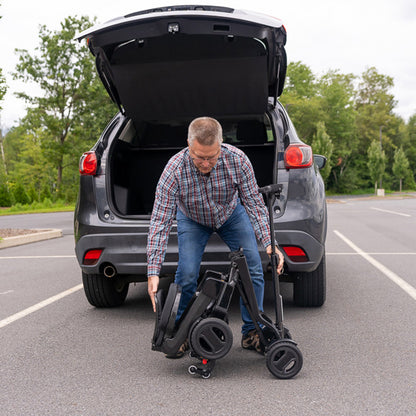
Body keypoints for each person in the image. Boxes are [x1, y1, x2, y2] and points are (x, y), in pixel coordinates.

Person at [147, 116, 284, 358]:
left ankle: (252, 332)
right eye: (200, 156)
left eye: (212, 156)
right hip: (192, 219)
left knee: (253, 266)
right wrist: (153, 270)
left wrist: (270, 243)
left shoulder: (238, 160)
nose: (206, 162)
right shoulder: (174, 169)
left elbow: (254, 203)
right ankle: (181, 333)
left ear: (221, 146)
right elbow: (160, 220)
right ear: (189, 145)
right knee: (187, 273)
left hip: (231, 214)